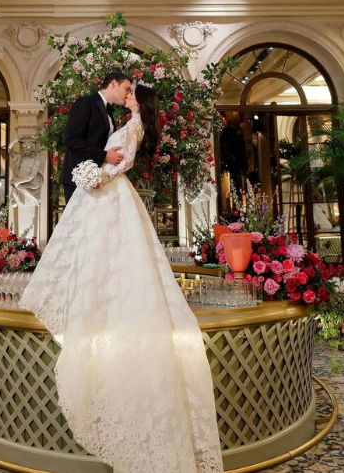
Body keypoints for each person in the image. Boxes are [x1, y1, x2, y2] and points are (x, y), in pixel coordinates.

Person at [20, 84, 223, 473]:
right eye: (126, 88)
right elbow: (107, 153)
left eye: (133, 92)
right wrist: (94, 170)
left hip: (110, 191)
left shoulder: (131, 125)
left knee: (111, 255)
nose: (128, 93)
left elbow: (123, 162)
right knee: (100, 253)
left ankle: (102, 310)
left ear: (137, 102)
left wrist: (95, 175)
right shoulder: (121, 119)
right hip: (106, 192)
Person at [60, 70, 131, 205]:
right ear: (113, 83)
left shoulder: (109, 112)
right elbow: (71, 139)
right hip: (78, 178)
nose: (128, 94)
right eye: (126, 89)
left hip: (96, 179)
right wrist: (104, 156)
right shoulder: (85, 103)